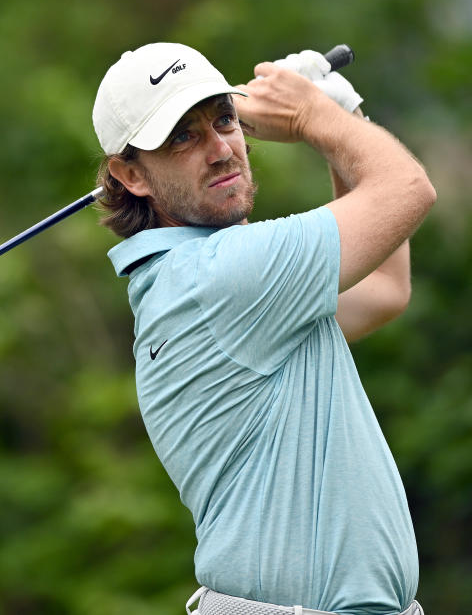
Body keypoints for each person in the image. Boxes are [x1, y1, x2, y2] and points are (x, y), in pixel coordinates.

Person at [91, 42, 435, 615]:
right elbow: (408, 189)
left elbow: (383, 291)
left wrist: (340, 116)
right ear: (132, 175)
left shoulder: (198, 282)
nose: (221, 149)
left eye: (223, 119)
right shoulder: (219, 275)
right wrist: (314, 117)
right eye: (183, 136)